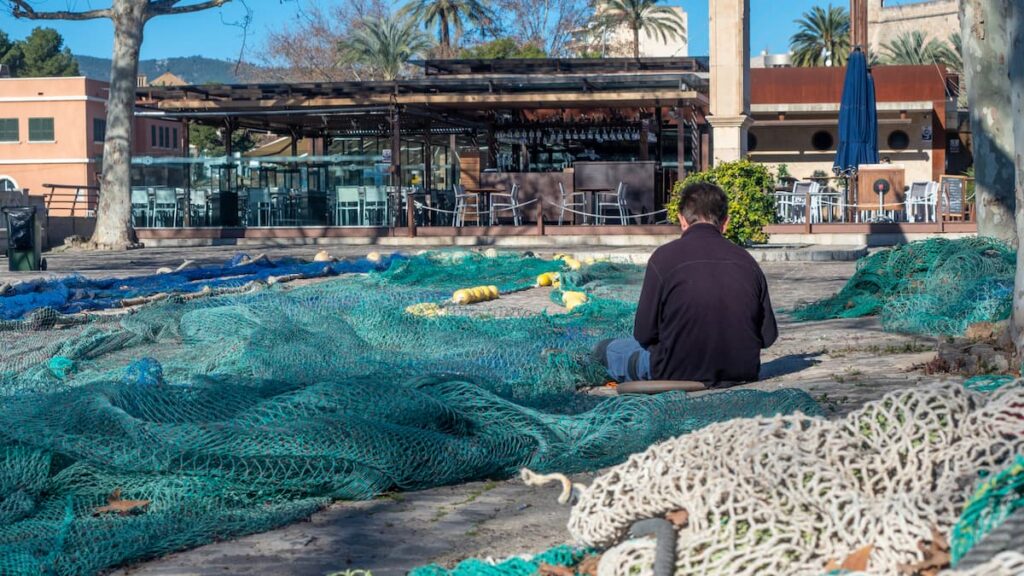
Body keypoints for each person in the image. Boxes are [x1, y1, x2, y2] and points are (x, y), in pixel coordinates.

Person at [593, 182, 778, 388]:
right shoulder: (748, 261)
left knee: (606, 348)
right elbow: (767, 336)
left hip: (673, 370)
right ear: (725, 222)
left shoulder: (663, 258)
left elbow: (643, 333)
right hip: (742, 369)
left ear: (682, 220)